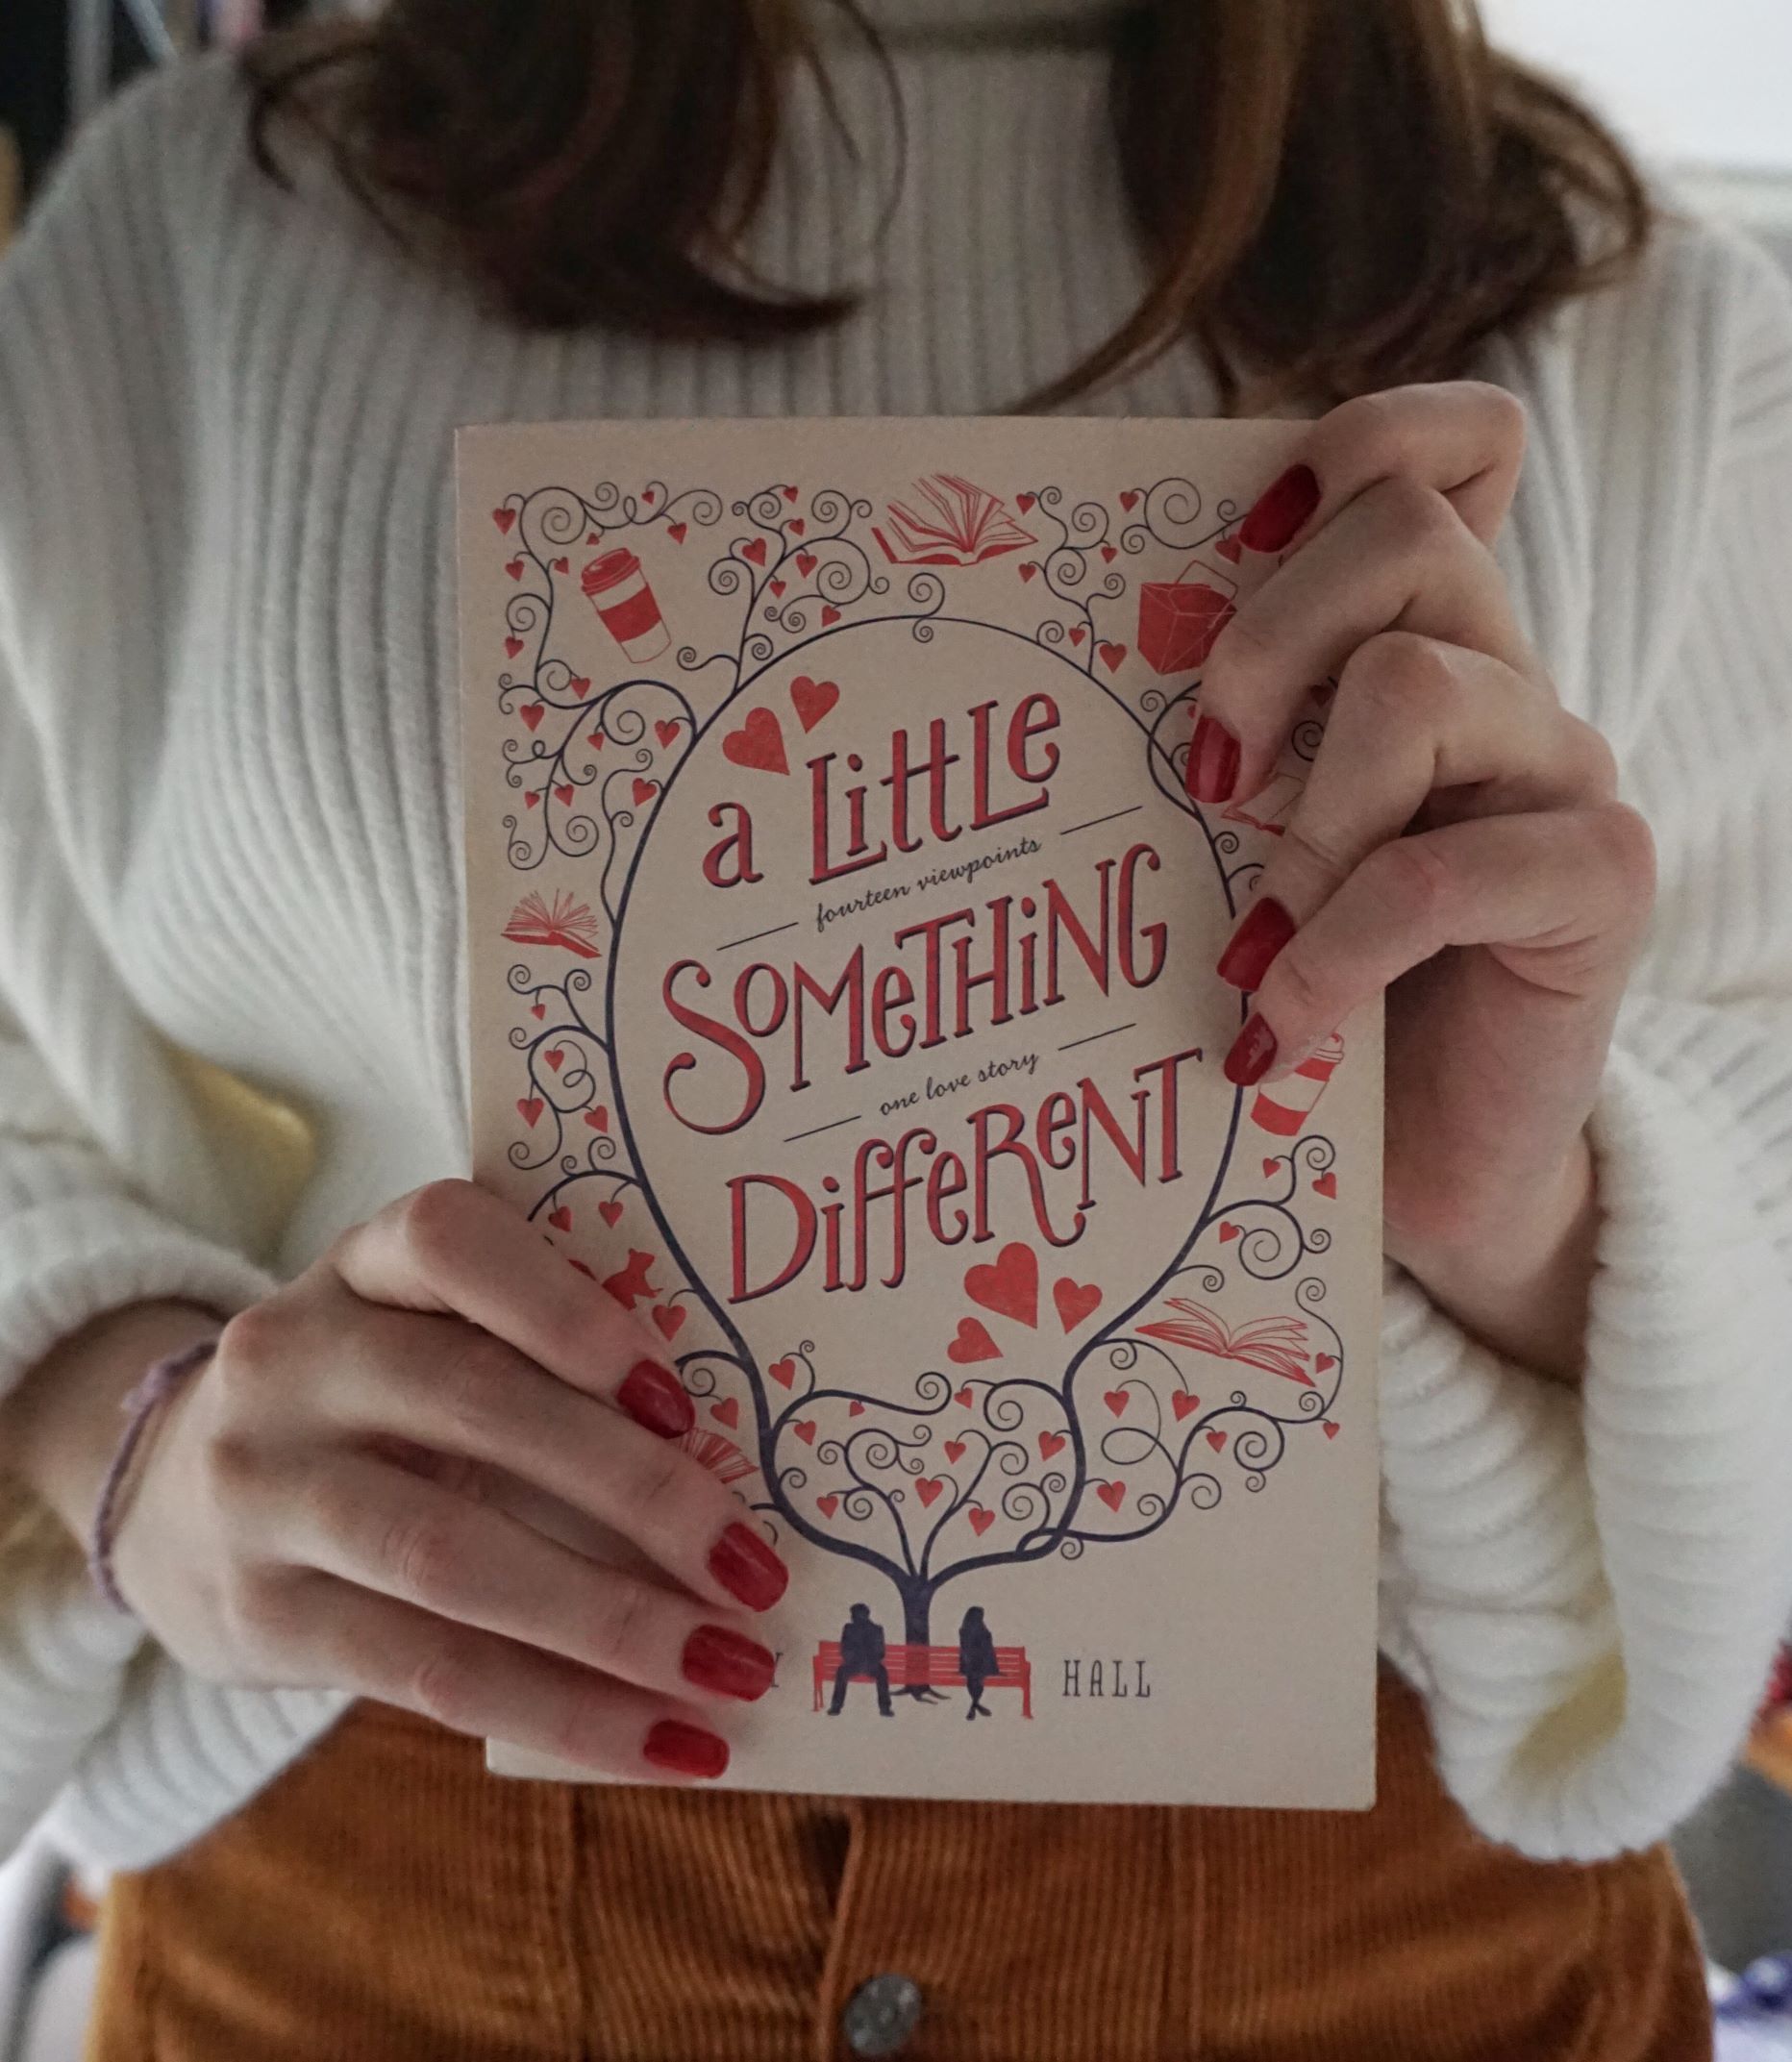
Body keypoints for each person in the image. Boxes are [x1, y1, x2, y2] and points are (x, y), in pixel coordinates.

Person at [0, 1, 1789, 2054]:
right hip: (386, 1895)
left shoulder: (1618, 308)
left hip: (1377, 1928)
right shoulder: (200, 232)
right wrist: (131, 1435)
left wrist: (1525, 1212)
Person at [829, 1602, 897, 1717]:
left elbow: (844, 1649)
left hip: (853, 1664)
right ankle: (885, 1708)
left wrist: (854, 1659)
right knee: (882, 1673)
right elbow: (881, 1653)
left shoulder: (849, 1628)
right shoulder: (877, 1629)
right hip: (871, 1666)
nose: (851, 1617)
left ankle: (836, 1706)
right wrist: (869, 1660)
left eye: (853, 1614)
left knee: (841, 1672)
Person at [957, 1606, 999, 1720]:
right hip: (978, 1664)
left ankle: (974, 1705)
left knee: (974, 1678)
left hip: (973, 1665)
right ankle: (975, 1705)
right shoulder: (979, 1629)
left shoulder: (965, 1630)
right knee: (977, 1677)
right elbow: (984, 1648)